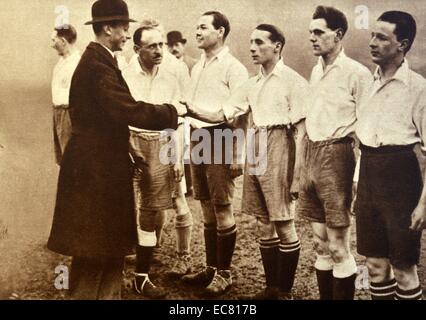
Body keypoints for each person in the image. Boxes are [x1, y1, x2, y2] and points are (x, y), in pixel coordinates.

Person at [47, 0, 184, 300]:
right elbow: (126, 109)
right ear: (108, 28)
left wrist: (127, 145)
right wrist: (171, 112)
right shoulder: (97, 64)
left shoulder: (102, 60)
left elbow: (110, 116)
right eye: (124, 28)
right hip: (94, 170)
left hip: (101, 165)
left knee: (107, 246)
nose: (126, 34)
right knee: (93, 247)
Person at [186, 24, 308, 300]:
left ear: (277, 46)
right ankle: (271, 289)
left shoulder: (293, 80)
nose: (252, 48)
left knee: (284, 222)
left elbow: (301, 133)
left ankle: (285, 292)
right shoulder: (251, 83)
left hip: (281, 145)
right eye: (251, 42)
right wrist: (192, 110)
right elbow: (223, 114)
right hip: (257, 146)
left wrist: (298, 175)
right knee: (264, 223)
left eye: (260, 42)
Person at [297, 6, 372, 300]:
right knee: (319, 243)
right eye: (310, 32)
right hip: (312, 154)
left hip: (339, 156)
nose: (312, 38)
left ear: (338, 34)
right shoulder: (316, 70)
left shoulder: (357, 73)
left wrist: (357, 175)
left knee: (339, 245)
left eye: (319, 32)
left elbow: (365, 130)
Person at [355, 11, 425, 300]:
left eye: (382, 37)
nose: (372, 42)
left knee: (403, 266)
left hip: (401, 178)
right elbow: (364, 140)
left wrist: (423, 204)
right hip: (370, 173)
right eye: (372, 35)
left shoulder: (418, 88)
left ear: (402, 44)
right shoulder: (367, 83)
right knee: (374, 265)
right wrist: (358, 181)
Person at [122, 25, 193, 299]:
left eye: (161, 45)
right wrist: (127, 147)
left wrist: (175, 156)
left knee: (151, 211)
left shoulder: (172, 74)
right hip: (129, 141)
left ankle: (142, 277)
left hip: (161, 144)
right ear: (137, 49)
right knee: (122, 205)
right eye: (152, 46)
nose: (159, 50)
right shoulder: (125, 75)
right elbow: (117, 115)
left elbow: (177, 119)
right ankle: (113, 272)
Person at [181, 11, 248, 297]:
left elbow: (237, 114)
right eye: (196, 26)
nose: (197, 32)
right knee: (206, 205)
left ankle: (225, 273)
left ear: (220, 32)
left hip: (221, 136)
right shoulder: (198, 66)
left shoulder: (234, 68)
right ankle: (211, 268)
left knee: (222, 207)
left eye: (203, 27)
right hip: (198, 137)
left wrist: (238, 154)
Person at [50, 24, 80, 165]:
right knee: (62, 157)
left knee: (71, 158)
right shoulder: (61, 62)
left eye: (53, 40)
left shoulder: (77, 63)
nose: (52, 45)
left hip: (69, 114)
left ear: (62, 41)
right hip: (58, 114)